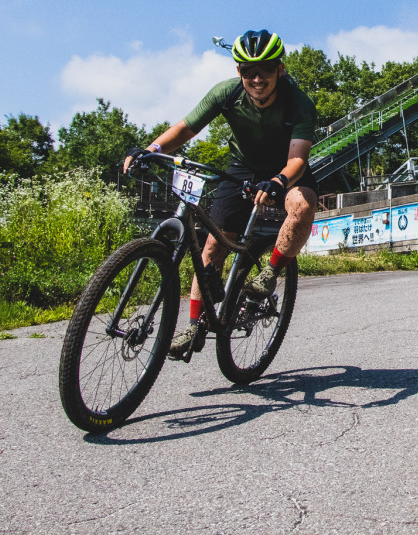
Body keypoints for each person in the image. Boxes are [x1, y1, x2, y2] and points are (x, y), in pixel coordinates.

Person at [123, 29, 318, 360]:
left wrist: (277, 181)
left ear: (279, 70)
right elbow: (186, 128)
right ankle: (195, 326)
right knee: (213, 244)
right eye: (248, 70)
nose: (257, 78)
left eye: (266, 70)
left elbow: (298, 157)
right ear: (238, 71)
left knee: (301, 205)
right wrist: (151, 148)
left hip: (284, 168)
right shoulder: (226, 94)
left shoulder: (298, 103)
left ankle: (270, 273)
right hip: (241, 167)